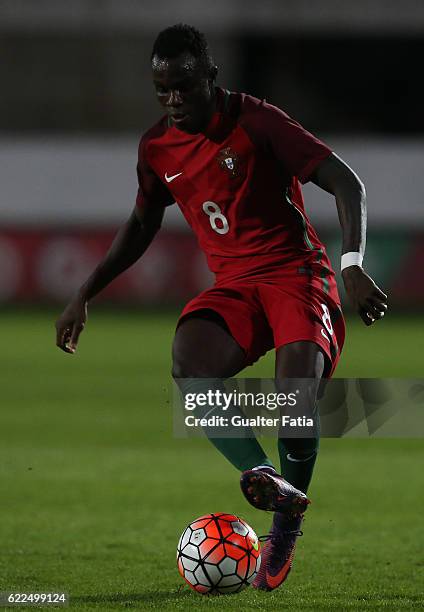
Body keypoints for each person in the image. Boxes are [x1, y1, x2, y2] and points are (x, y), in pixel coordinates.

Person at [55, 24, 388, 591]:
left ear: (211, 77)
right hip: (235, 284)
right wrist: (85, 290)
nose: (173, 99)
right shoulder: (157, 147)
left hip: (297, 274)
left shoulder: (258, 121)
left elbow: (346, 182)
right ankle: (261, 476)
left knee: (296, 402)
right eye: (162, 89)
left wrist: (352, 263)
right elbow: (141, 224)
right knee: (190, 363)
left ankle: (286, 522)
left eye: (183, 85)